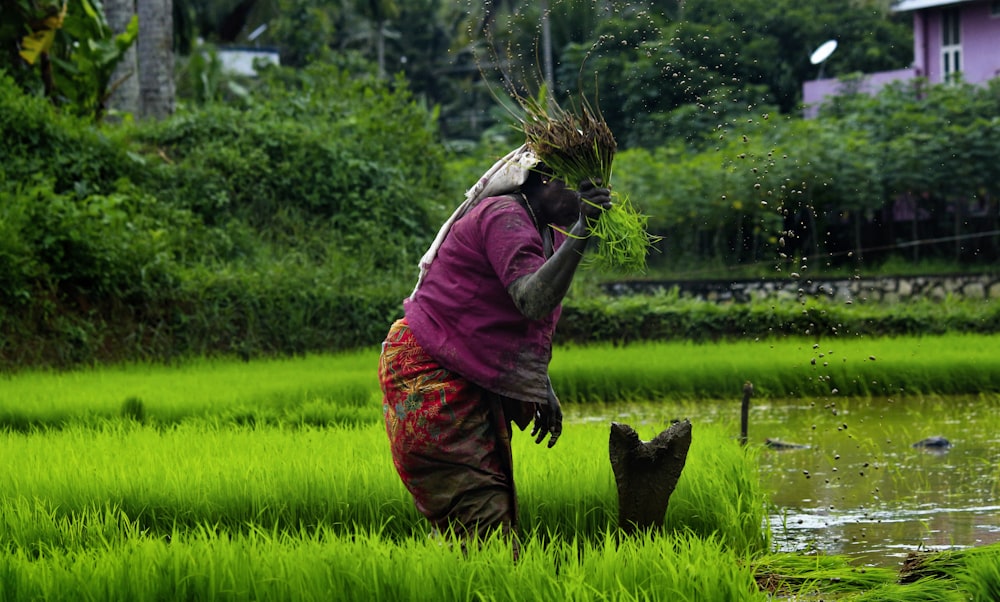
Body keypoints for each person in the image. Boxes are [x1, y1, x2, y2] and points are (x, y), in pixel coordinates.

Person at [378, 145, 611, 554]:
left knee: (478, 527)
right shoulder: (503, 216)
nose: (587, 195)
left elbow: (504, 323)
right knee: (485, 528)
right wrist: (584, 230)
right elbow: (531, 300)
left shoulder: (547, 230)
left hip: (460, 366)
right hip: (430, 375)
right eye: (580, 186)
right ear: (546, 179)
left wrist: (540, 385)